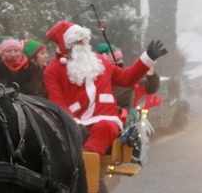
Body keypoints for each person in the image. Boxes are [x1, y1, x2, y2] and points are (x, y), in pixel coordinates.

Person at [43, 20, 165, 155]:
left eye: (85, 40)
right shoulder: (52, 70)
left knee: (107, 127)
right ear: (67, 45)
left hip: (105, 118)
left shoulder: (99, 61)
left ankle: (85, 163)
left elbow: (126, 78)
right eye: (79, 41)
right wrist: (74, 124)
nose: (84, 44)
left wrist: (147, 58)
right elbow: (58, 103)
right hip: (73, 122)